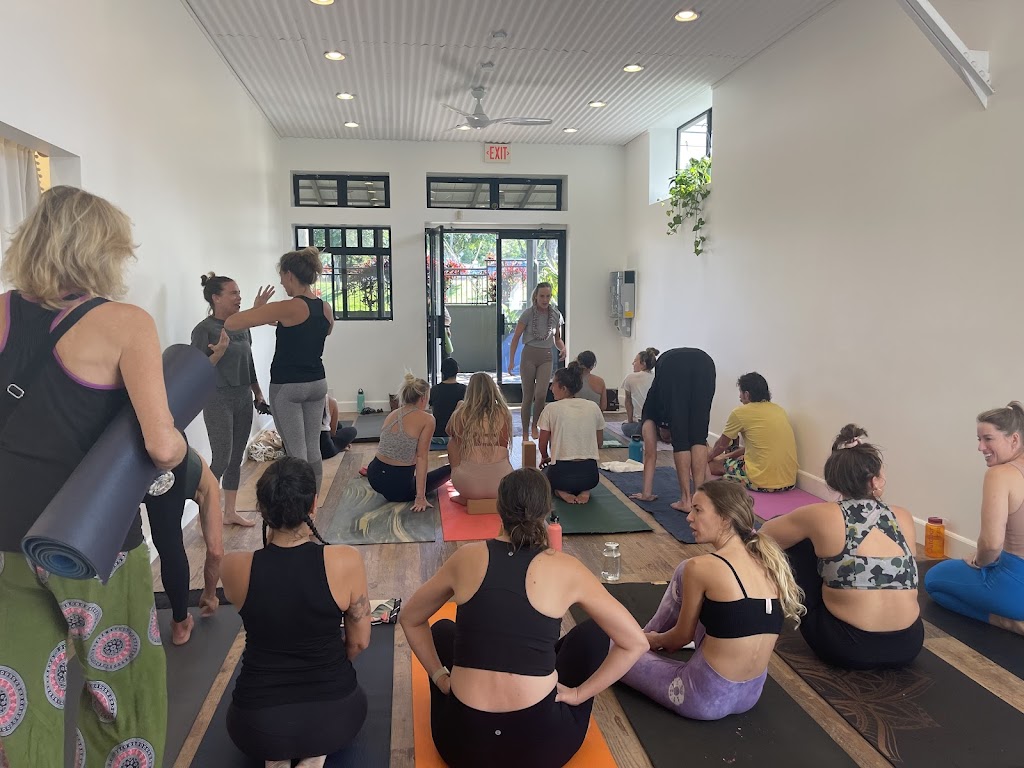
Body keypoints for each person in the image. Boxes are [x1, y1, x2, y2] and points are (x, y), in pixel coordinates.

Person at [0, 186, 186, 767]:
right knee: (125, 695)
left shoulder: (0, 311)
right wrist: (180, 445)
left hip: (6, 537)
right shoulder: (125, 323)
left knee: (20, 699)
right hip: (94, 542)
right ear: (101, 250)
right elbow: (161, 446)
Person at [400, 468, 648, 768]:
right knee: (596, 633)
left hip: (462, 747)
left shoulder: (466, 557)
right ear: (547, 509)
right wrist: (579, 694)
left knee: (442, 630)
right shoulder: (567, 568)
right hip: (539, 752)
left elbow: (410, 617)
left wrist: (440, 676)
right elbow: (636, 642)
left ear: (499, 507)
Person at [220, 457, 371, 768]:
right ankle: (314, 751)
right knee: (326, 722)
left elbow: (276, 604)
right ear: (313, 504)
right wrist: (328, 665)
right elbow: (359, 642)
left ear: (262, 509)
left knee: (276, 734)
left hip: (255, 728)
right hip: (336, 719)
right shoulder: (345, 560)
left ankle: (279, 754)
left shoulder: (234, 566)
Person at [621, 480, 804, 719]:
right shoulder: (770, 563)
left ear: (725, 519)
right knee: (689, 574)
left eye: (698, 510)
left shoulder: (702, 567)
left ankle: (639, 641)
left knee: (612, 647)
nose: (689, 517)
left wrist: (650, 639)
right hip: (750, 694)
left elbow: (679, 638)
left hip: (704, 698)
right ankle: (642, 640)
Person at [759, 425, 923, 669]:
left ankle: (762, 610)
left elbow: (765, 536)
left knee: (798, 541)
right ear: (875, 480)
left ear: (833, 479)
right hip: (908, 643)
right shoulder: (903, 516)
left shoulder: (818, 515)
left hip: (846, 646)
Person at [226, 246, 333, 493]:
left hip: (288, 387)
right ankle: (313, 502)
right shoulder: (324, 307)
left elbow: (232, 323)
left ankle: (299, 506)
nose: (282, 283)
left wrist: (258, 309)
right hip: (317, 384)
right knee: (312, 449)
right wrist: (279, 321)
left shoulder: (288, 306)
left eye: (282, 277)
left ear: (290, 274)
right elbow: (322, 330)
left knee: (296, 454)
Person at [924, 403, 1024, 636]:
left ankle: (1011, 623)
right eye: (979, 439)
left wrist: (979, 562)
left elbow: (991, 544)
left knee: (934, 580)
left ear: (1014, 439)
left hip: (1018, 587)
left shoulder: (1000, 474)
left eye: (988, 439)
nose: (980, 447)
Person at [192, 272, 272, 526]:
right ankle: (205, 515)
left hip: (242, 396)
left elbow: (248, 363)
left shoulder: (241, 326)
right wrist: (218, 353)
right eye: (234, 293)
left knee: (237, 457)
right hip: (217, 398)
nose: (239, 297)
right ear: (216, 298)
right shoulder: (204, 330)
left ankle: (230, 513)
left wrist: (257, 392)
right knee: (221, 459)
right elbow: (194, 372)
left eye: (239, 293)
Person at [144, 444, 224, 645]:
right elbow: (215, 551)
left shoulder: (192, 463)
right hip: (166, 464)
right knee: (169, 544)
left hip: (115, 458)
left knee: (125, 545)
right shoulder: (209, 484)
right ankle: (180, 626)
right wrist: (210, 595)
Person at [630, 347, 716, 513]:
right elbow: (701, 454)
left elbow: (650, 454)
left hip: (672, 363)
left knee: (682, 440)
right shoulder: (655, 414)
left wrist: (646, 494)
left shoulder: (650, 411)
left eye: (667, 439)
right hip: (705, 362)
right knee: (698, 438)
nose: (668, 440)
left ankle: (687, 501)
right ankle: (700, 500)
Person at [366, 373, 451, 511]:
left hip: (374, 476)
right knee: (450, 469)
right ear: (423, 398)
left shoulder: (393, 414)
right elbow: (421, 457)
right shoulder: (427, 419)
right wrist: (420, 497)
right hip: (399, 486)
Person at [708, 372, 798, 492]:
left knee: (711, 466)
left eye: (740, 392)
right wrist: (727, 456)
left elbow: (721, 445)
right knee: (738, 458)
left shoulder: (740, 412)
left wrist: (707, 458)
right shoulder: (779, 410)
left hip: (761, 482)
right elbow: (758, 447)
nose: (739, 397)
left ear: (746, 394)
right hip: (789, 482)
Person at [538, 363, 606, 504]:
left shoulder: (551, 408)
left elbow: (542, 444)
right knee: (580, 477)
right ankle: (584, 490)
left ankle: (560, 491)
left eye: (553, 384)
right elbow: (599, 443)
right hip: (590, 477)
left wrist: (545, 457)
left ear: (563, 388)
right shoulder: (593, 407)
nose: (551, 388)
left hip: (561, 477)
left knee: (543, 474)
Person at [507, 282, 566, 439]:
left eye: (548, 296)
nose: (545, 299)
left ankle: (535, 426)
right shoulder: (528, 314)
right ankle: (525, 431)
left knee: (541, 394)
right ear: (536, 297)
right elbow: (516, 338)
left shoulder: (556, 315)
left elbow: (557, 339)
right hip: (529, 355)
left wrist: (563, 348)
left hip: (546, 356)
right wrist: (511, 361)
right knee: (528, 395)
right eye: (542, 296)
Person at [447, 372, 514, 504]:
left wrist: (458, 408)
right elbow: (503, 445)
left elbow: (449, 431)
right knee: (498, 450)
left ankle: (464, 495)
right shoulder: (504, 412)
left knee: (452, 443)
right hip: (501, 486)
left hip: (468, 487)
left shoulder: (462, 412)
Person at [621, 347, 659, 438]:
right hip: (659, 424)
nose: (632, 363)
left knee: (624, 426)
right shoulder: (658, 377)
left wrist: (630, 420)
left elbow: (628, 401)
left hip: (642, 424)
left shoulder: (630, 378)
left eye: (635, 361)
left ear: (643, 363)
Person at [429, 357, 466, 446]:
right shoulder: (464, 389)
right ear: (457, 370)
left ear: (442, 371)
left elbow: (432, 408)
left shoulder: (434, 389)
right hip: (457, 433)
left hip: (437, 434)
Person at [320, 393, 358, 460]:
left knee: (339, 425)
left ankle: (340, 444)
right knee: (352, 430)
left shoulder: (301, 401)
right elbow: (332, 433)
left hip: (306, 450)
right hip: (325, 451)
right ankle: (341, 446)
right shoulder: (331, 401)